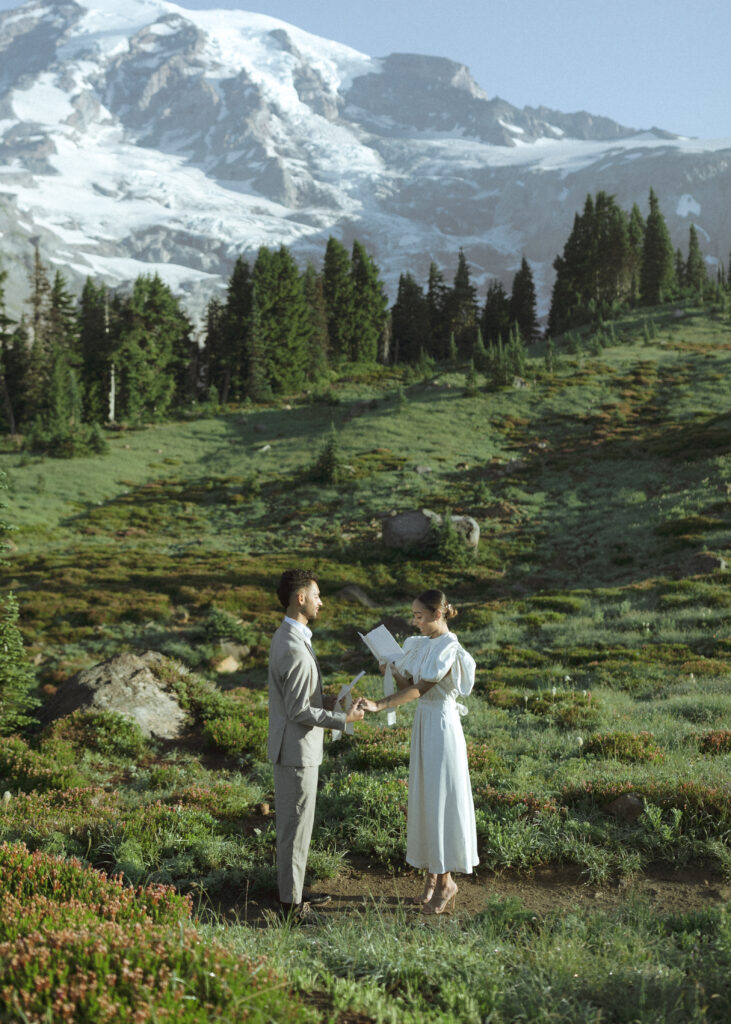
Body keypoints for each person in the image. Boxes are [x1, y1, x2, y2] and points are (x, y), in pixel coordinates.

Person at [360, 589, 478, 914]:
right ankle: (431, 878)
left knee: (440, 799)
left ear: (437, 615)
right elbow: (408, 684)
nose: (415, 622)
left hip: (442, 727)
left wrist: (379, 704)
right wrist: (391, 667)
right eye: (413, 615)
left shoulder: (448, 647)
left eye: (419, 616)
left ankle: (446, 883)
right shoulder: (421, 645)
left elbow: (421, 689)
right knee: (426, 799)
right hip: (424, 725)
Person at [268, 568, 365, 919]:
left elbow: (295, 698)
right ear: (301, 598)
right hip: (296, 751)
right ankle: (291, 906)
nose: (321, 601)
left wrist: (326, 699)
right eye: (317, 595)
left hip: (294, 748)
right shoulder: (293, 646)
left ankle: (295, 890)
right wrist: (344, 719)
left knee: (298, 826)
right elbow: (297, 710)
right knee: (295, 828)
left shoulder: (289, 636)